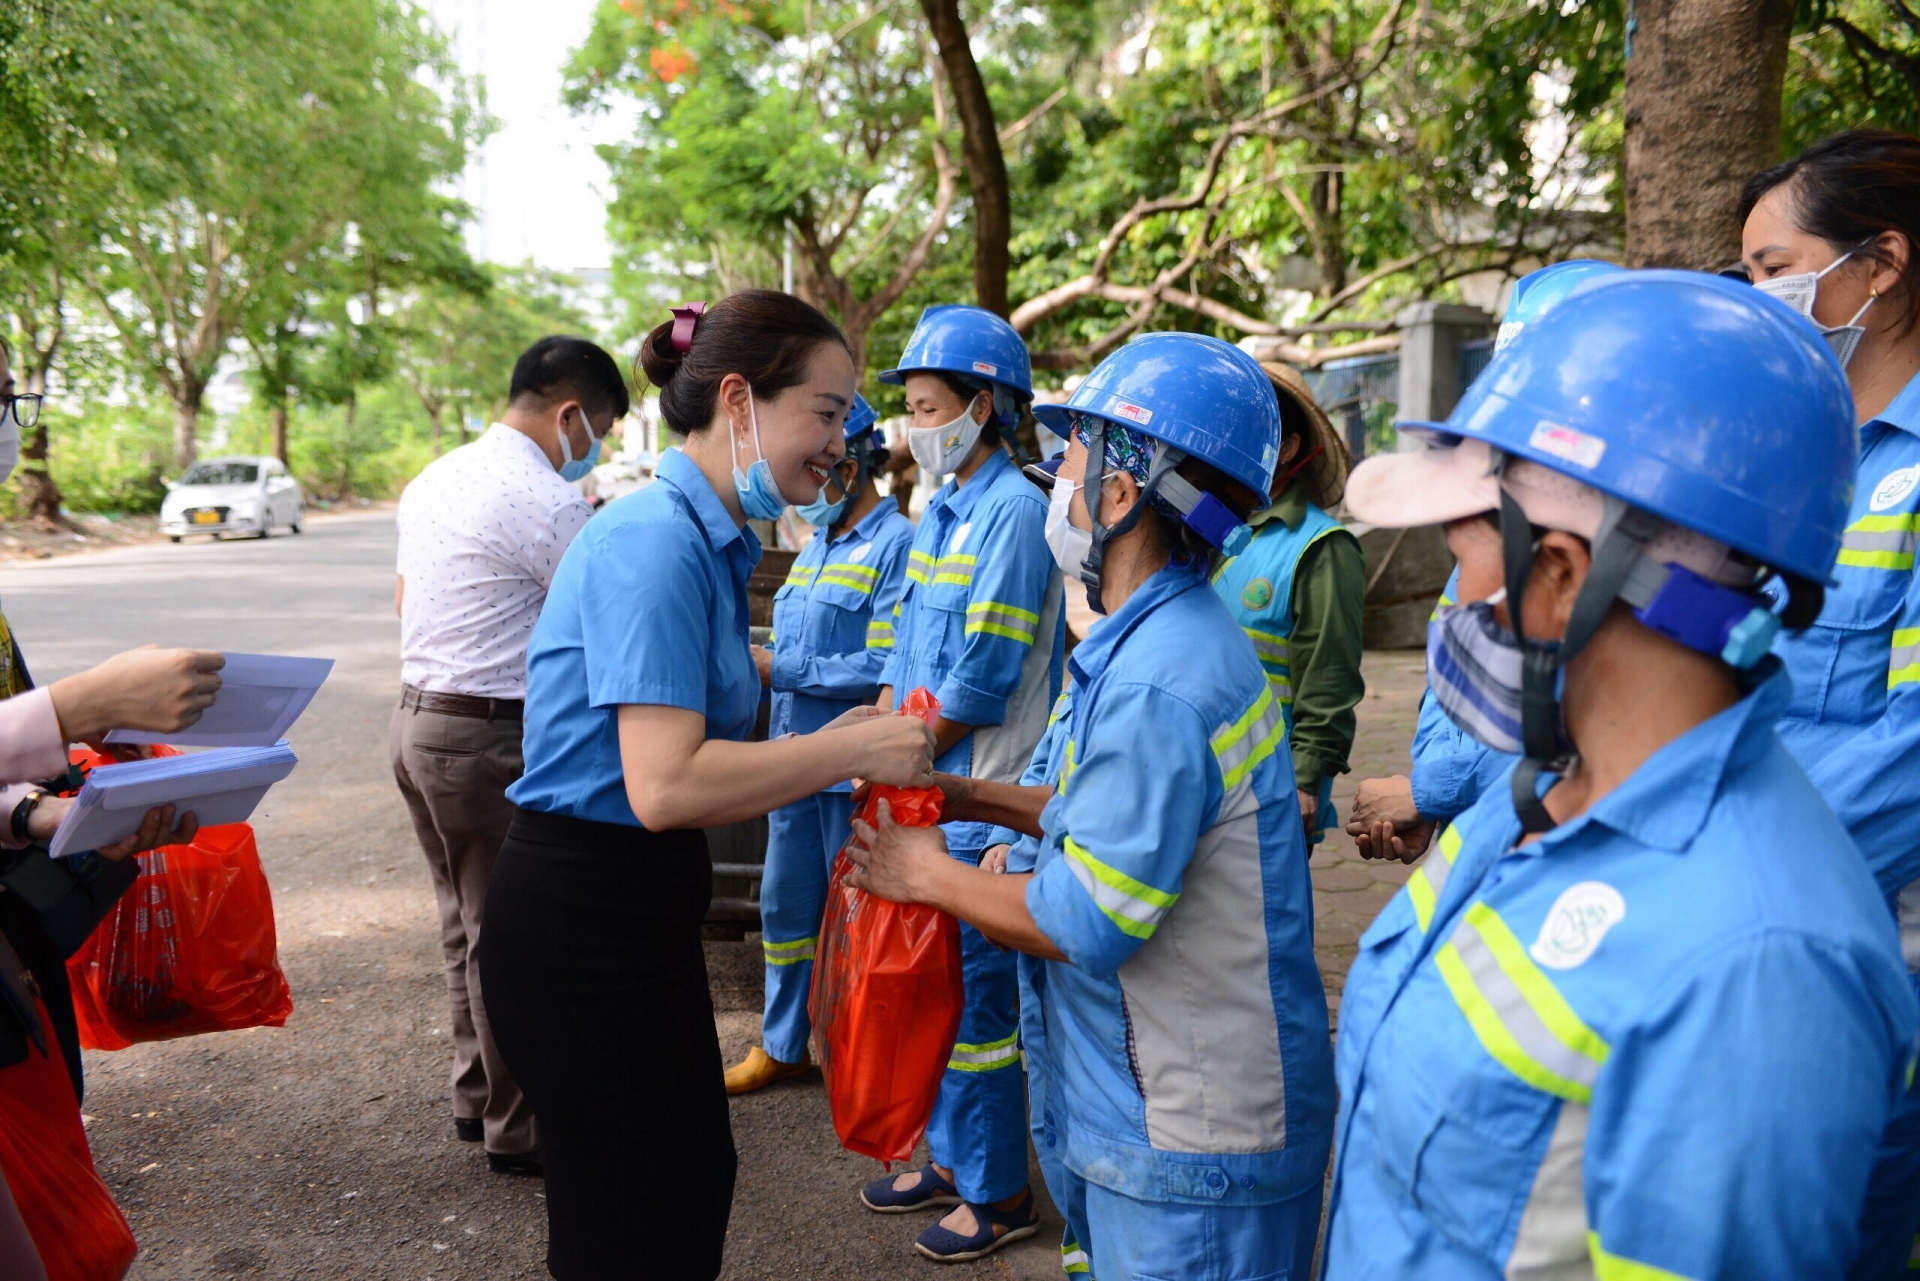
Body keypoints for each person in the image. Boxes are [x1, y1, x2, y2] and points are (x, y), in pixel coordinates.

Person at [1322, 270, 1918, 1277]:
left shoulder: (1759, 974)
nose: (1450, 603)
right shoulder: (1531, 794)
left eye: (1462, 550)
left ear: (1559, 573)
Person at [847, 332, 1334, 1281]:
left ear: (1121, 493)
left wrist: (924, 872)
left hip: (1194, 1146)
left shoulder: (1163, 677)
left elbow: (1086, 914)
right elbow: (1102, 816)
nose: (1056, 488)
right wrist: (970, 793)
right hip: (1172, 1121)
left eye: (1071, 461)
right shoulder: (1163, 640)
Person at [478, 291, 936, 1281]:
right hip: (581, 926)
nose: (843, 439)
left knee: (682, 1190)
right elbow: (666, 783)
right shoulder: (656, 540)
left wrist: (841, 728)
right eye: (825, 410)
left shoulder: (713, 542)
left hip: (634, 918)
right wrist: (852, 754)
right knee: (636, 1224)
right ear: (740, 400)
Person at [1738, 128, 1920, 1278]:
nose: (1758, 296)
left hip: (1863, 953)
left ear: (1881, 263)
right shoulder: (1794, 450)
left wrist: (1722, 859)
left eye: (1773, 266)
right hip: (1749, 924)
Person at [858, 304, 1064, 1263]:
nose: (913, 425)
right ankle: (947, 1157)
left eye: (928, 403)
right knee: (930, 987)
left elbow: (984, 673)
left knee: (979, 1006)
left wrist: (906, 751)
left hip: (984, 794)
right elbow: (909, 646)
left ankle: (999, 1189)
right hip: (926, 785)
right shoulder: (937, 508)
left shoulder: (1016, 514)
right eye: (908, 405)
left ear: (984, 408)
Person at [390, 335, 624, 1176]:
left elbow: (402, 599)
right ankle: (519, 1129)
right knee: (509, 934)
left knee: (464, 923)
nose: (592, 447)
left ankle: (474, 1093)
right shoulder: (546, 499)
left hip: (417, 725)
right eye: (597, 428)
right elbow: (599, 625)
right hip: (488, 735)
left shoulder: (436, 476)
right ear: (569, 414)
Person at [1345, 259, 1622, 862]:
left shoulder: (1624, 572)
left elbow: (1595, 729)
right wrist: (1433, 801)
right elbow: (1452, 681)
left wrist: (1431, 790)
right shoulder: (1496, 539)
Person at [724, 394, 916, 1094]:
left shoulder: (899, 545)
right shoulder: (815, 547)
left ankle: (853, 1051)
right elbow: (792, 641)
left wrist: (784, 668)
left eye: (823, 463)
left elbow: (887, 662)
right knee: (784, 905)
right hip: (790, 764)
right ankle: (783, 1043)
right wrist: (762, 653)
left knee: (853, 914)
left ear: (857, 461)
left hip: (846, 769)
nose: (810, 482)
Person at [1211, 361, 1362, 843]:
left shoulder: (1320, 546)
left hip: (1270, 784)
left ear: (1290, 447)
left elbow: (1329, 676)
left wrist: (1305, 779)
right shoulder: (1207, 525)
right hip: (1200, 771)